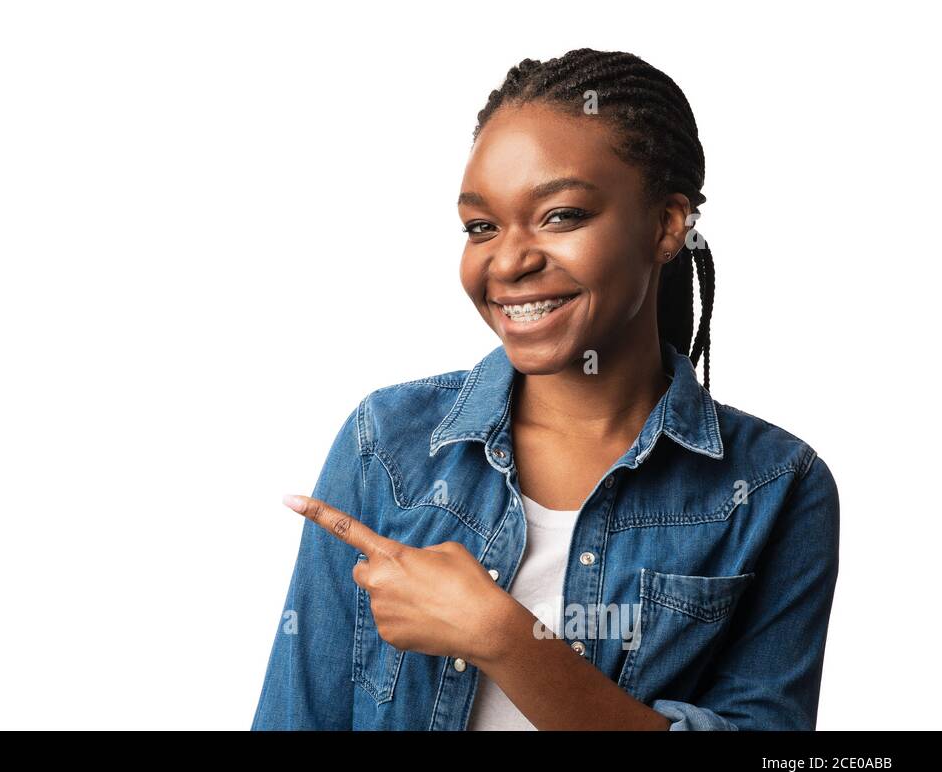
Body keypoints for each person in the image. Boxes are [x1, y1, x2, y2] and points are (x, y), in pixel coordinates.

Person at [250, 48, 839, 731]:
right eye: (481, 226)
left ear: (667, 224)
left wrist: (502, 636)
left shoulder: (776, 486)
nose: (509, 259)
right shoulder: (387, 445)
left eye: (560, 215)